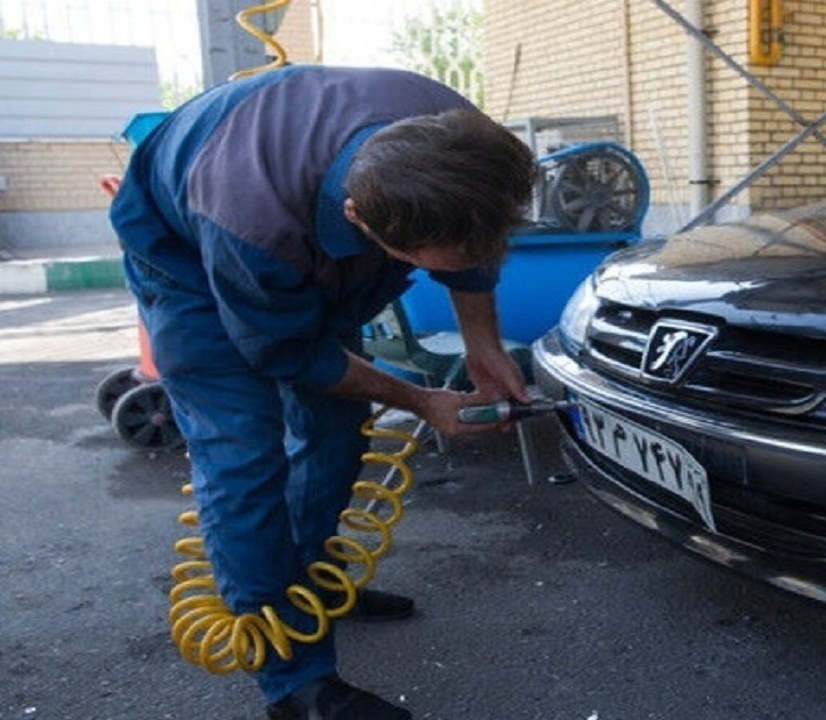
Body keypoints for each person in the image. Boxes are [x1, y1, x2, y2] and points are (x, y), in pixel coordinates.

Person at [109, 65, 536, 720]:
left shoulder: (460, 140)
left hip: (298, 200)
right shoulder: (251, 223)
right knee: (243, 454)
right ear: (364, 224)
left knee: (336, 432)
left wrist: (483, 346)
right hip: (185, 248)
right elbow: (290, 353)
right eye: (430, 259)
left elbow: (475, 245)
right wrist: (425, 403)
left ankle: (308, 587)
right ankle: (294, 681)